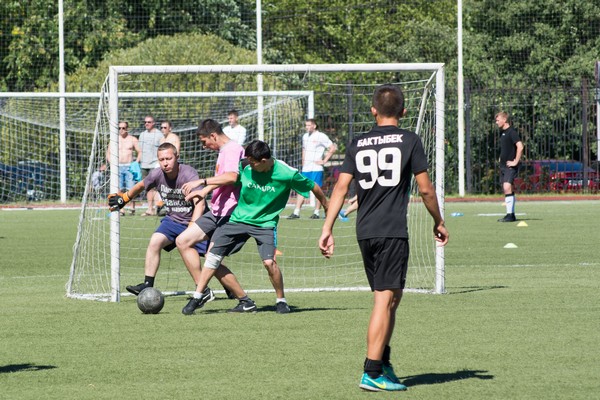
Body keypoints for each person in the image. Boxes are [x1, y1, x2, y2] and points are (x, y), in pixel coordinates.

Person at [318, 84, 449, 392]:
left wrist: (327, 227)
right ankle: (372, 371)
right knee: (384, 298)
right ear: (403, 111)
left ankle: (383, 361)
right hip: (391, 230)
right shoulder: (409, 140)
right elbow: (426, 190)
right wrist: (439, 221)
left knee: (392, 297)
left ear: (373, 110)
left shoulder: (358, 142)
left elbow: (341, 188)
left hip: (365, 231)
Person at [182, 140, 329, 315]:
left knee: (269, 263)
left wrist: (327, 206)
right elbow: (230, 178)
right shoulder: (245, 165)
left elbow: (313, 187)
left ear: (264, 161)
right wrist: (205, 189)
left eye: (253, 162)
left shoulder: (287, 173)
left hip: (265, 224)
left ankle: (281, 301)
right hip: (238, 219)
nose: (249, 165)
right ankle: (197, 296)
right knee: (213, 256)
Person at [108, 142, 248, 303]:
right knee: (155, 242)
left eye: (168, 158)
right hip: (172, 220)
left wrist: (192, 226)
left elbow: (200, 203)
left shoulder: (188, 174)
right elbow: (141, 185)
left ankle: (229, 287)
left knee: (211, 258)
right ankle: (148, 285)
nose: (165, 163)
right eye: (161, 159)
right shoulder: (156, 174)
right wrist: (125, 198)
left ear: (177, 157)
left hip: (195, 220)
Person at [176, 118, 252, 312]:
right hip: (217, 211)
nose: (204, 146)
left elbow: (231, 177)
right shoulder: (224, 151)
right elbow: (221, 179)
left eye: (204, 142)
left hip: (231, 214)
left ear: (213, 135)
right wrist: (204, 191)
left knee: (212, 258)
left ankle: (245, 301)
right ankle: (204, 290)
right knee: (183, 241)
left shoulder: (233, 150)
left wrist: (201, 182)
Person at [288, 118, 336, 219]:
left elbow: (332, 148)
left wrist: (324, 160)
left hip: (316, 168)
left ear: (314, 126)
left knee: (317, 189)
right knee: (301, 188)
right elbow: (304, 149)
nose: (307, 127)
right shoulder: (305, 136)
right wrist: (303, 163)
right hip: (306, 168)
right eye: (306, 125)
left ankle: (316, 212)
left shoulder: (321, 136)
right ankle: (296, 212)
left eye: (309, 125)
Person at [106, 121, 140, 215]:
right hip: (118, 166)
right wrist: (112, 163)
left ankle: (132, 208)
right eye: (119, 128)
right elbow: (108, 153)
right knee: (118, 188)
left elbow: (140, 151)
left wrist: (136, 163)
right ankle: (121, 208)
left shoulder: (132, 139)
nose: (121, 130)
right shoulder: (114, 139)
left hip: (129, 167)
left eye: (123, 128)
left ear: (127, 128)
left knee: (131, 188)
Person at [495, 111, 523, 222]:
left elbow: (520, 146)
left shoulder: (512, 132)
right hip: (503, 165)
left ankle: (510, 215)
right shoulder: (502, 133)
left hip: (509, 166)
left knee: (507, 187)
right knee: (507, 188)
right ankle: (511, 215)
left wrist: (515, 161)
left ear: (504, 120)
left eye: (498, 120)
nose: (496, 122)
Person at [138, 115, 163, 216]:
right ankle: (150, 209)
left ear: (153, 123)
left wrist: (160, 162)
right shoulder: (142, 135)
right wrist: (137, 162)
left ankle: (159, 206)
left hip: (155, 164)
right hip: (144, 165)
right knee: (148, 187)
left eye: (149, 122)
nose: (146, 124)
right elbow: (140, 150)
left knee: (156, 187)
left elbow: (162, 149)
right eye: (145, 122)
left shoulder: (159, 135)